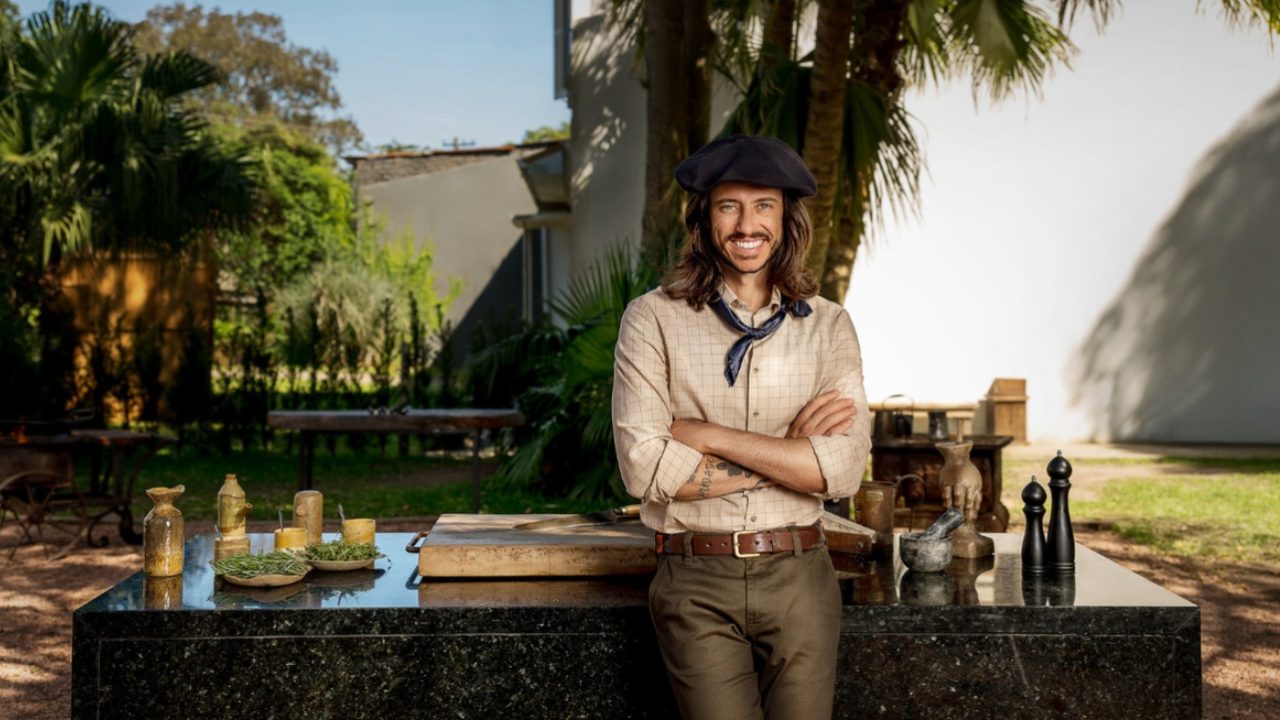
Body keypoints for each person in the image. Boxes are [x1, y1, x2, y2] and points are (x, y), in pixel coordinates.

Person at [612, 134, 872, 720]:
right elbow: (645, 468)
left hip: (801, 575)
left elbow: (842, 470)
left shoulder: (829, 326)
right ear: (705, 218)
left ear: (786, 219)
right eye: (729, 205)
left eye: (764, 206)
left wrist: (705, 436)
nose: (746, 224)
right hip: (694, 579)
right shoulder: (652, 318)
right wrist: (791, 459)